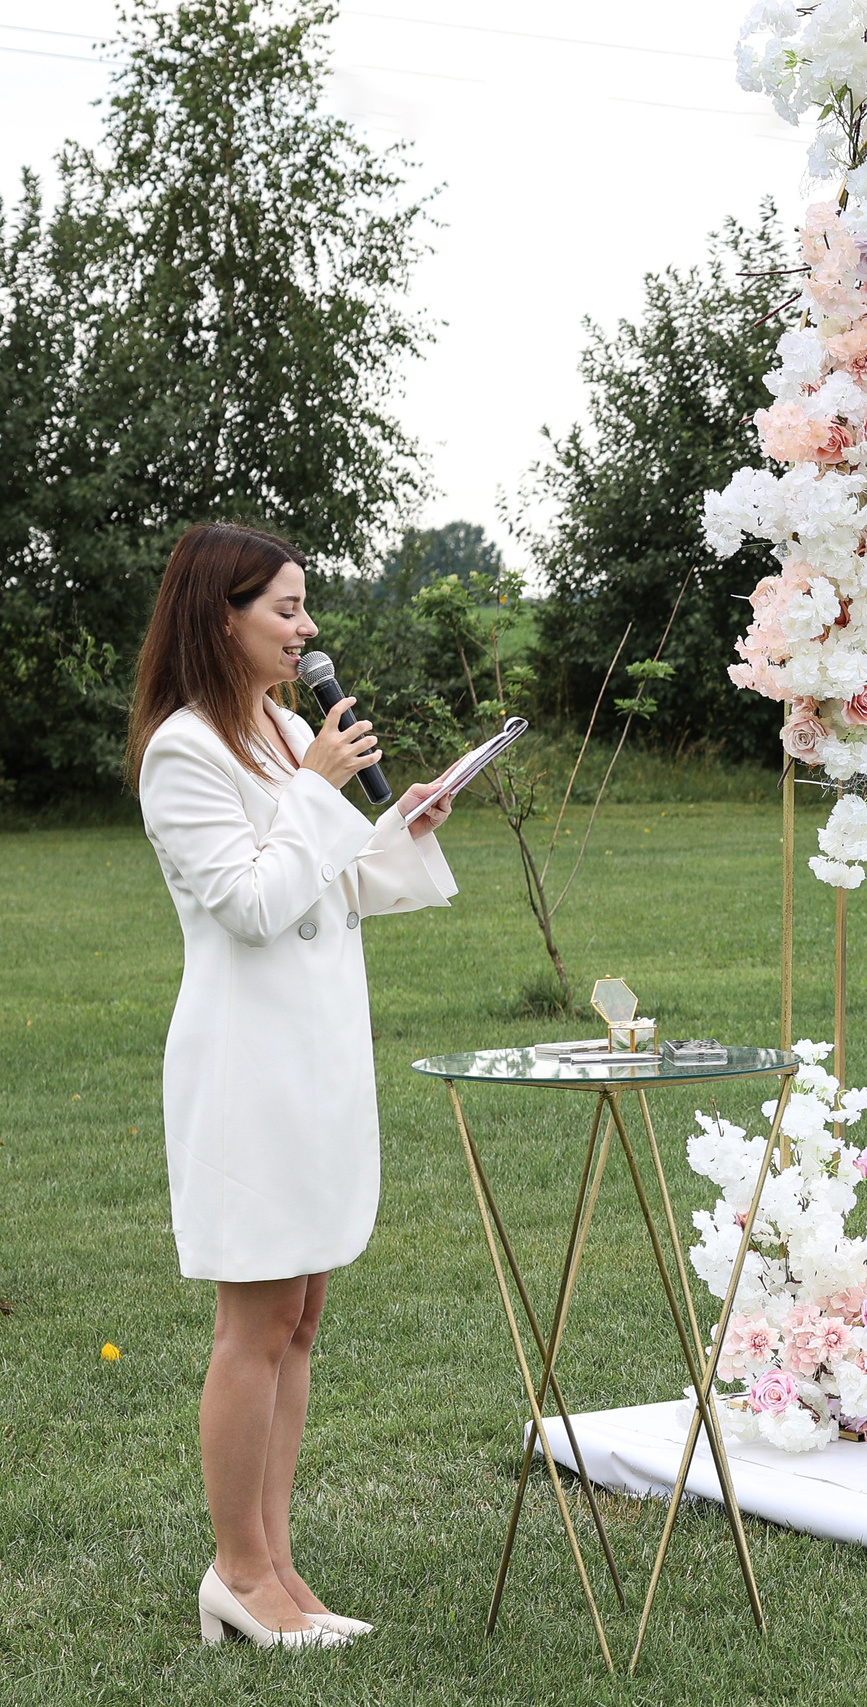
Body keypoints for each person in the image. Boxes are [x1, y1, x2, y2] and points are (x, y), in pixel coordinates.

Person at [131, 523, 462, 1647]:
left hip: (316, 1051)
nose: (307, 628)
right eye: (284, 608)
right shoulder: (183, 751)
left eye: (304, 606)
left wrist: (398, 825)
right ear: (219, 617)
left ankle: (278, 1567)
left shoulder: (278, 730)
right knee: (256, 1316)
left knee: (302, 1314)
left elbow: (332, 885)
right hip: (246, 1065)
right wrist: (320, 795)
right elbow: (254, 903)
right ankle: (236, 1571)